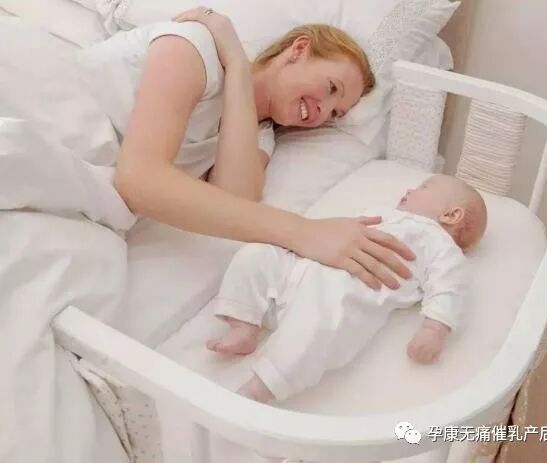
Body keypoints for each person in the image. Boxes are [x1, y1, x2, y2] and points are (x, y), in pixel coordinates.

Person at [95, 6, 416, 289]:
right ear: (298, 49)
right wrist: (306, 233)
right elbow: (137, 180)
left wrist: (238, 69)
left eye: (335, 113)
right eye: (332, 88)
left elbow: (231, 207)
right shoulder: (195, 46)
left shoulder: (261, 138)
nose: (323, 111)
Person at [206, 174, 488, 403]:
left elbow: (450, 287)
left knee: (312, 336)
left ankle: (260, 389)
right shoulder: (382, 213)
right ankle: (244, 324)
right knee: (257, 254)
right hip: (301, 268)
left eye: (424, 187)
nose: (409, 190)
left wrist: (434, 329)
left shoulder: (439, 245)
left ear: (451, 214)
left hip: (338, 299)